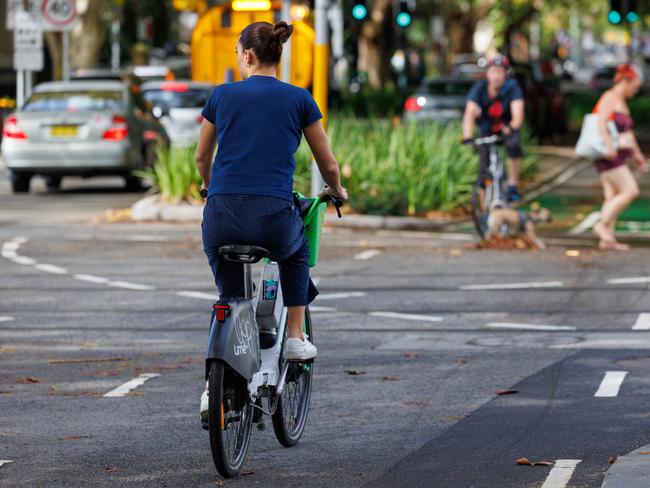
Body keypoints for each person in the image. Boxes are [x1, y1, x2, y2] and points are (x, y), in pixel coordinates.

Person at [195, 21, 347, 420]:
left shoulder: (221, 95)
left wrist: (213, 189)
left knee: (229, 292)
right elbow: (327, 163)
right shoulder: (299, 99)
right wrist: (337, 190)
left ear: (247, 55)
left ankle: (217, 386)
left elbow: (200, 158)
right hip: (273, 215)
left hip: (221, 215)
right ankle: (295, 336)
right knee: (295, 253)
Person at [592, 64, 647, 250]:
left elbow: (628, 133)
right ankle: (601, 225)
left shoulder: (621, 100)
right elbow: (600, 122)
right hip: (610, 155)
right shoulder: (610, 97)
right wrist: (609, 147)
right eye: (635, 86)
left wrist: (637, 155)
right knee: (630, 190)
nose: (636, 90)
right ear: (625, 81)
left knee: (613, 196)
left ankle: (607, 239)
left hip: (617, 155)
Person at [462, 54, 526, 202]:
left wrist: (511, 127)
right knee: (483, 165)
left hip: (506, 128)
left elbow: (518, 114)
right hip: (486, 129)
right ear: (487, 73)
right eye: (493, 71)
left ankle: (512, 186)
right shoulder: (479, 88)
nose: (496, 76)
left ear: (505, 73)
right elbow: (469, 112)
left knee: (513, 145)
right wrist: (467, 136)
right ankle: (484, 206)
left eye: (500, 72)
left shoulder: (512, 87)